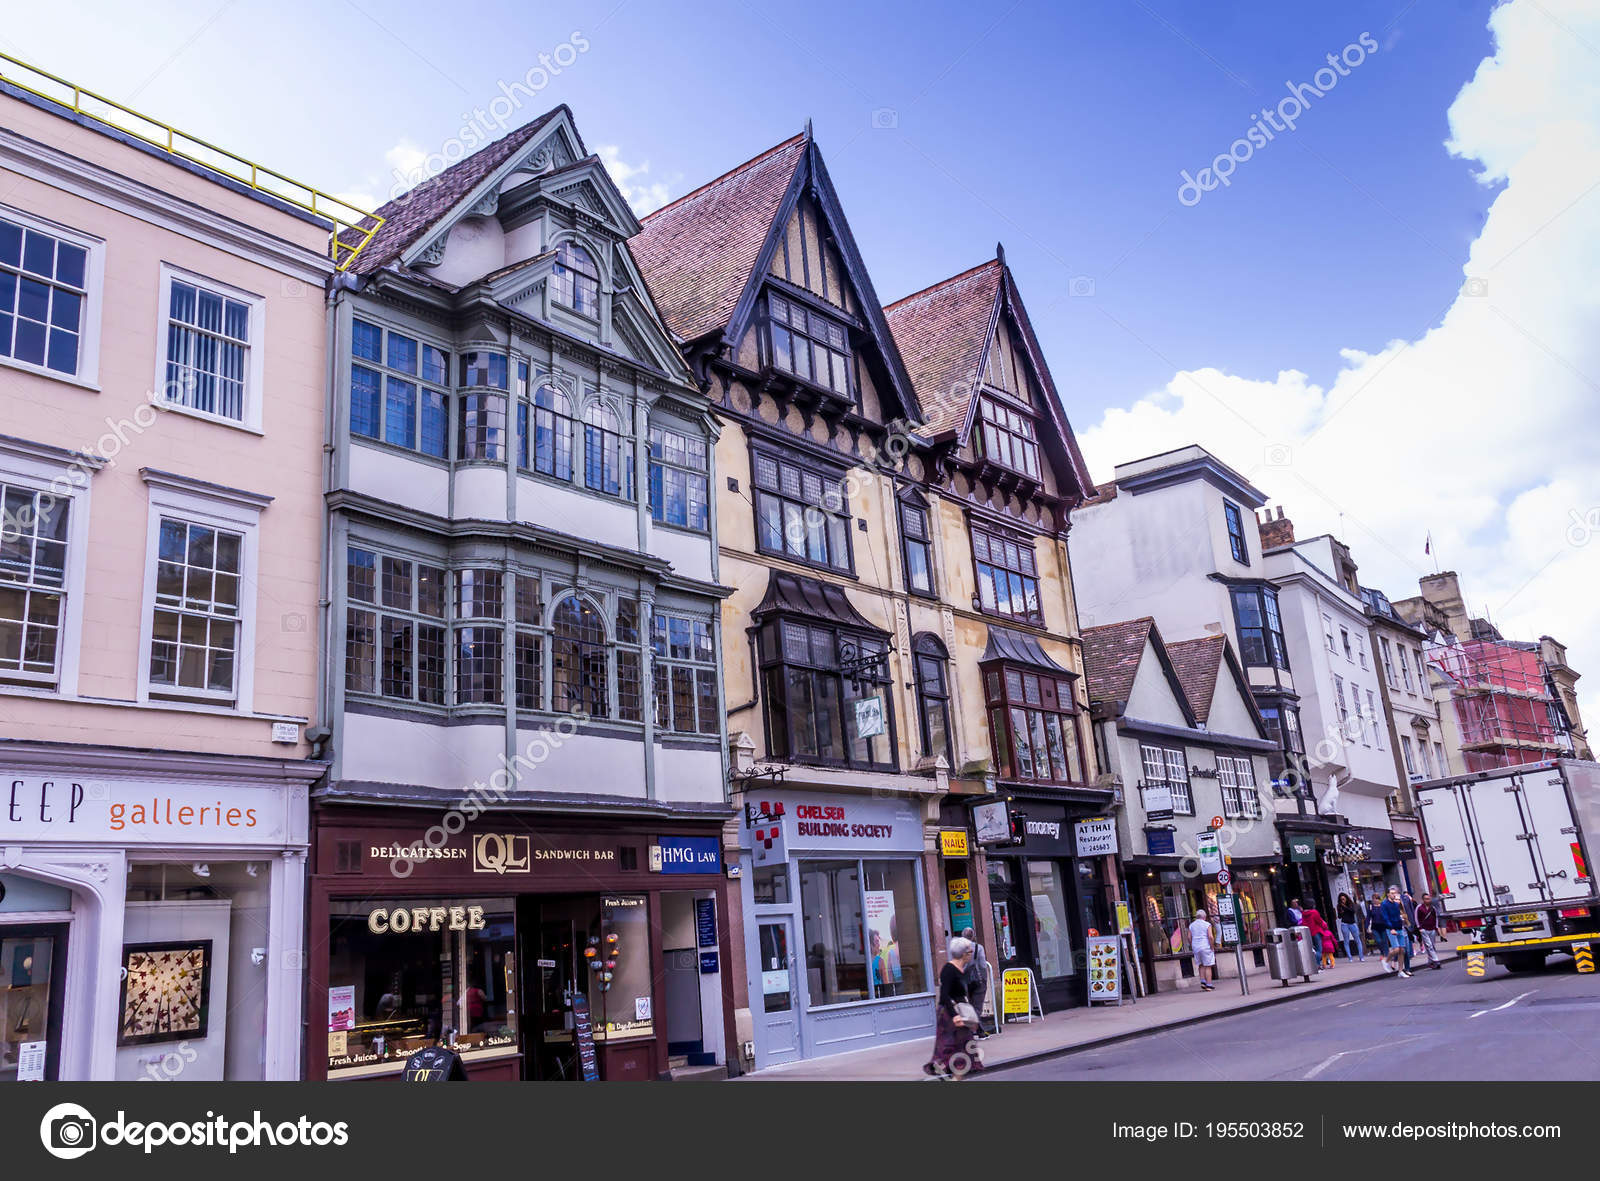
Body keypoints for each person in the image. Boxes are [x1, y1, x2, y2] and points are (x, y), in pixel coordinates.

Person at [925, 937, 981, 1078]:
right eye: (970, 951)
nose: (972, 952)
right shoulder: (948, 970)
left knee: (963, 1056)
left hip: (959, 1015)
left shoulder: (962, 969)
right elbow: (944, 996)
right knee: (955, 1056)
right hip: (949, 1017)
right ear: (963, 954)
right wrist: (955, 1016)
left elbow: (960, 992)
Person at [960, 927, 990, 1037]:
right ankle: (971, 1031)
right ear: (973, 937)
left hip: (965, 981)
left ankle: (979, 1031)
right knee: (977, 1007)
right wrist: (985, 979)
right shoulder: (979, 948)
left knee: (971, 1006)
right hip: (978, 981)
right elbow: (982, 965)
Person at [1380, 887, 1413, 978]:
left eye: (1395, 893)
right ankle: (1386, 960)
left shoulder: (1395, 904)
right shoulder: (1384, 904)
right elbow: (1385, 917)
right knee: (1396, 949)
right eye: (1392, 893)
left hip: (1399, 928)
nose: (1394, 894)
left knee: (1402, 950)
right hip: (1391, 929)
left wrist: (1401, 923)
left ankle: (1400, 971)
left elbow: (1397, 916)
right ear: (1388, 894)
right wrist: (1391, 928)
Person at [1189, 909, 1218, 991]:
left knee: (1201, 964)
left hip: (1196, 947)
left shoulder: (1192, 925)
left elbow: (1189, 937)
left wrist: (1192, 945)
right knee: (1208, 966)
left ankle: (1203, 982)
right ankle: (1209, 985)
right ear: (1204, 917)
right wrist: (1212, 946)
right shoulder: (1207, 924)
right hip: (1205, 946)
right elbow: (1210, 937)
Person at [1414, 893, 1443, 969]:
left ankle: (1430, 962)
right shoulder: (1419, 908)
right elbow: (1416, 918)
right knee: (1429, 945)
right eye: (1426, 899)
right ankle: (1436, 960)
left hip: (1432, 929)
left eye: (1429, 898)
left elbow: (1436, 918)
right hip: (1424, 929)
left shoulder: (1432, 908)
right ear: (1423, 900)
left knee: (1432, 946)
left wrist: (1436, 927)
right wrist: (1419, 928)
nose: (1428, 900)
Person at [1336, 892, 1364, 962]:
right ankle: (1350, 957)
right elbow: (1339, 917)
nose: (1343, 900)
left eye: (1343, 899)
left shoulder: (1350, 904)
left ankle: (1361, 957)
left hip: (1352, 923)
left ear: (1346, 898)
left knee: (1357, 940)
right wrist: (1340, 911)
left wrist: (1344, 907)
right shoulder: (1339, 906)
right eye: (1341, 899)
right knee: (1346, 941)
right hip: (1344, 924)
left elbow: (1352, 911)